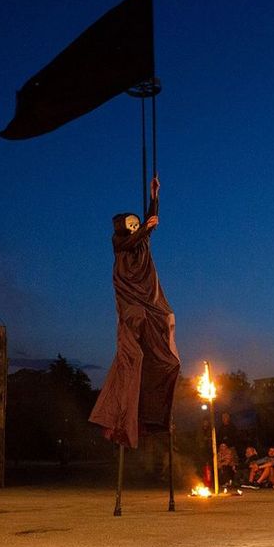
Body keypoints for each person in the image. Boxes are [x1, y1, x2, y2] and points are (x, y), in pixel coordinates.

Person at [89, 176, 181, 449]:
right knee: (136, 320)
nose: (135, 226)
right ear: (121, 228)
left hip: (148, 289)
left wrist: (155, 195)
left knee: (165, 318)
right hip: (129, 292)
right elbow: (132, 239)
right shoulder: (119, 242)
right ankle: (122, 409)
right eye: (130, 224)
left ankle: (154, 404)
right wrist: (144, 228)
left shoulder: (143, 240)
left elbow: (151, 221)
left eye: (136, 223)